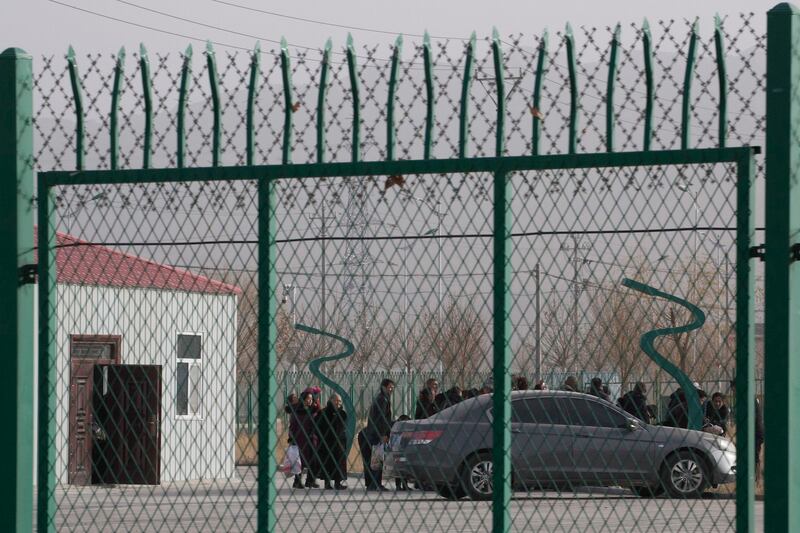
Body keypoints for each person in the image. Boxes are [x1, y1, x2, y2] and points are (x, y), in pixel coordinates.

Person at [360, 378, 395, 491]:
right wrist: (383, 434)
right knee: (377, 459)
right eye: (389, 387)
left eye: (392, 387)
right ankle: (376, 483)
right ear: (384, 387)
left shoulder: (380, 398)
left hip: (372, 432)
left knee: (373, 459)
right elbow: (381, 419)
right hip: (377, 434)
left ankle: (372, 484)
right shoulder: (383, 400)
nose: (391, 389)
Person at [286, 391, 321, 488]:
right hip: (300, 439)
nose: (309, 401)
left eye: (311, 399)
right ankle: (297, 481)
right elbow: (293, 426)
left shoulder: (313, 410)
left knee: (313, 460)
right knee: (300, 461)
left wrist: (316, 399)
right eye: (307, 399)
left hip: (312, 439)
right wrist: (291, 438)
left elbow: (319, 411)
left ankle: (310, 480)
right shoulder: (297, 411)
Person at [316, 394, 348, 490]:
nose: (338, 403)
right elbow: (317, 427)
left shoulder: (342, 413)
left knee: (339, 463)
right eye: (336, 400)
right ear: (331, 400)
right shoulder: (323, 413)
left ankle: (338, 483)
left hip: (339, 443)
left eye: (339, 401)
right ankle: (327, 483)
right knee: (327, 463)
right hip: (327, 443)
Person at [394, 414, 412, 491]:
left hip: (398, 451)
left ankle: (400, 485)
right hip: (400, 451)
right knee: (401, 468)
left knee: (400, 468)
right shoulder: (402, 431)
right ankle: (402, 485)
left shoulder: (396, 429)